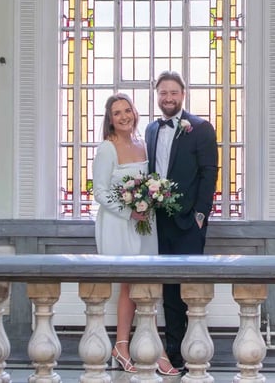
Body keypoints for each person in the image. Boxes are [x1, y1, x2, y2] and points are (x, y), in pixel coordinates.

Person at [92, 92, 179, 376]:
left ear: (134, 113)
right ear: (110, 120)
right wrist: (130, 211)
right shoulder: (108, 148)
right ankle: (123, 345)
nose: (124, 116)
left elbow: (149, 182)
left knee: (146, 284)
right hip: (119, 223)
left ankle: (149, 346)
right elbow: (101, 192)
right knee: (129, 283)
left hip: (145, 223)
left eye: (127, 110)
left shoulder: (142, 143)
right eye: (117, 113)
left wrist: (149, 201)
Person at [145, 71, 218, 370]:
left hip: (189, 222)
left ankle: (194, 350)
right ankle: (173, 354)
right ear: (157, 95)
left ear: (183, 95)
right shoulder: (150, 129)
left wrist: (200, 215)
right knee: (167, 291)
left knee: (189, 290)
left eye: (173, 92)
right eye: (163, 93)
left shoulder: (200, 128)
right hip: (156, 223)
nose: (168, 98)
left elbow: (209, 173)